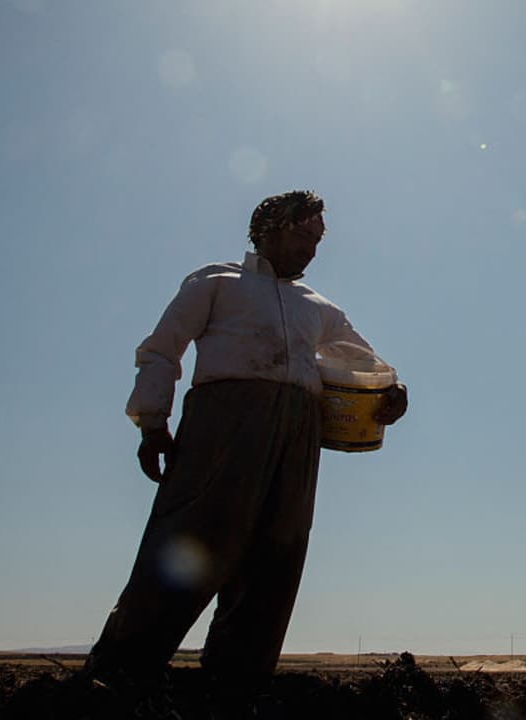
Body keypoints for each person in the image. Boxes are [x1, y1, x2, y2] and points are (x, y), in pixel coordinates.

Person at [86, 190, 408, 694]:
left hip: (298, 432)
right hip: (224, 423)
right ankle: (121, 668)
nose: (310, 249)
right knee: (191, 537)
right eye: (302, 235)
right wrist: (152, 423)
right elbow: (161, 350)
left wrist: (393, 390)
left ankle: (238, 680)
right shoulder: (216, 282)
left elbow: (367, 363)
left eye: (317, 240)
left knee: (279, 548)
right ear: (270, 228)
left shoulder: (318, 308)